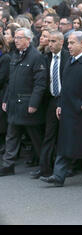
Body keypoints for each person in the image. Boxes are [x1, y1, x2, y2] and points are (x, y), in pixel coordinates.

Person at [40, 31, 82, 186]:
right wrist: (60, 104)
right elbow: (65, 87)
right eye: (68, 43)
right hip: (68, 109)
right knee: (64, 143)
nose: (69, 46)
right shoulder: (70, 60)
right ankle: (58, 176)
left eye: (72, 43)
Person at [0, 28, 47, 177]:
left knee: (36, 137)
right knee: (11, 135)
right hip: (14, 103)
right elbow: (11, 81)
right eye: (15, 37)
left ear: (28, 39)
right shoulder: (15, 55)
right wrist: (6, 99)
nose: (16, 40)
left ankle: (45, 166)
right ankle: (8, 165)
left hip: (27, 104)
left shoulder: (36, 56)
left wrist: (34, 104)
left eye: (20, 38)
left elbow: (40, 84)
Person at [30, 31, 70, 179]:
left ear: (61, 42)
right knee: (49, 134)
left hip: (66, 100)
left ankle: (67, 167)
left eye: (54, 41)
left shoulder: (68, 57)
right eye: (50, 41)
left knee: (66, 135)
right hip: (52, 100)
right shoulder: (46, 57)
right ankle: (44, 167)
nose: (50, 44)